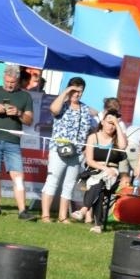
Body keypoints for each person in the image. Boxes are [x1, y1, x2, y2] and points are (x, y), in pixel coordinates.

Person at [0, 62, 36, 219]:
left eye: (13, 82)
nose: (10, 85)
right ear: (3, 78)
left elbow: (29, 120)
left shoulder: (25, 96)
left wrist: (18, 113)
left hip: (13, 141)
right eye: (7, 82)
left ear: (18, 81)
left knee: (18, 176)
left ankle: (22, 211)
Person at [40, 77, 94, 223]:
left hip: (76, 153)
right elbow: (53, 109)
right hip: (58, 151)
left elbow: (92, 130)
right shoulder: (62, 105)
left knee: (69, 185)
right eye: (74, 90)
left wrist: (86, 149)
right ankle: (45, 215)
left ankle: (63, 216)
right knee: (52, 181)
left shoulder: (85, 109)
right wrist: (66, 92)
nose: (77, 94)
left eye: (80, 91)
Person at [71, 109, 128, 232]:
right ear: (102, 122)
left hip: (112, 173)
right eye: (109, 122)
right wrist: (104, 168)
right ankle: (98, 225)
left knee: (102, 180)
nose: (111, 126)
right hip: (95, 171)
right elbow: (90, 160)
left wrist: (117, 125)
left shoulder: (117, 139)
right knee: (99, 185)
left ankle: (84, 210)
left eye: (113, 123)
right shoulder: (93, 137)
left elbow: (123, 147)